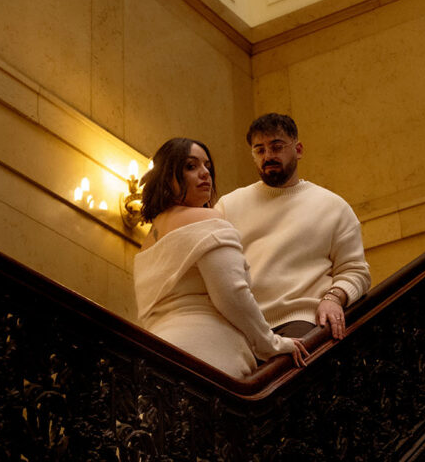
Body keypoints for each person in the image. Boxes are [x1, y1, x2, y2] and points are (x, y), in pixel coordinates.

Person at [133, 138, 308, 379]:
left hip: (156, 357)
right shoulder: (206, 218)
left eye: (207, 166)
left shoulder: (146, 244)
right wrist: (272, 344)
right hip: (207, 353)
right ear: (167, 176)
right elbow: (232, 294)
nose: (205, 173)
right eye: (191, 166)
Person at [216, 114, 370, 342]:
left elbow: (356, 271)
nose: (268, 156)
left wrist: (334, 298)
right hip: (242, 327)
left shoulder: (332, 207)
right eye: (259, 150)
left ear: (298, 150)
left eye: (276, 147)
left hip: (302, 321)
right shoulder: (229, 206)